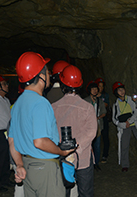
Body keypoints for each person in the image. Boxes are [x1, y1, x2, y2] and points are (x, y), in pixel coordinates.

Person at [8, 51, 74, 196]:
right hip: (45, 168)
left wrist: (19, 165)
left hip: (27, 167)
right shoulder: (40, 103)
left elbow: (12, 140)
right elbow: (40, 141)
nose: (49, 74)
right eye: (47, 71)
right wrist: (61, 152)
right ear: (41, 76)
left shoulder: (17, 104)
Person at [52, 65, 97, 197]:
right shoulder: (88, 107)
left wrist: (64, 148)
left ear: (62, 84)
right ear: (80, 85)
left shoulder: (53, 107)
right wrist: (77, 146)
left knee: (63, 191)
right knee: (85, 192)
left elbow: (51, 133)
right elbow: (92, 132)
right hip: (82, 158)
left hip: (62, 157)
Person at [112, 82, 137, 172]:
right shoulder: (115, 105)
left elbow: (136, 113)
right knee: (124, 145)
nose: (122, 91)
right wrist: (123, 124)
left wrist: (129, 121)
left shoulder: (131, 99)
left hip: (136, 124)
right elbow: (114, 119)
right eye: (119, 90)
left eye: (122, 89)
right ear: (116, 92)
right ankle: (125, 165)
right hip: (124, 127)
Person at [84, 81, 106, 171]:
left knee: (97, 145)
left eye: (96, 89)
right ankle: (88, 163)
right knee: (88, 146)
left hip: (97, 125)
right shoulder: (85, 101)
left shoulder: (99, 101)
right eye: (93, 89)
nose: (95, 91)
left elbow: (104, 112)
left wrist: (98, 117)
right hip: (87, 126)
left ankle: (96, 163)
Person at [95, 78, 110, 164]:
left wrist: (99, 99)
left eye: (102, 86)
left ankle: (105, 155)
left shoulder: (105, 96)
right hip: (95, 118)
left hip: (103, 117)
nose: (100, 88)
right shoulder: (92, 96)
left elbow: (106, 104)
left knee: (105, 136)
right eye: (99, 86)